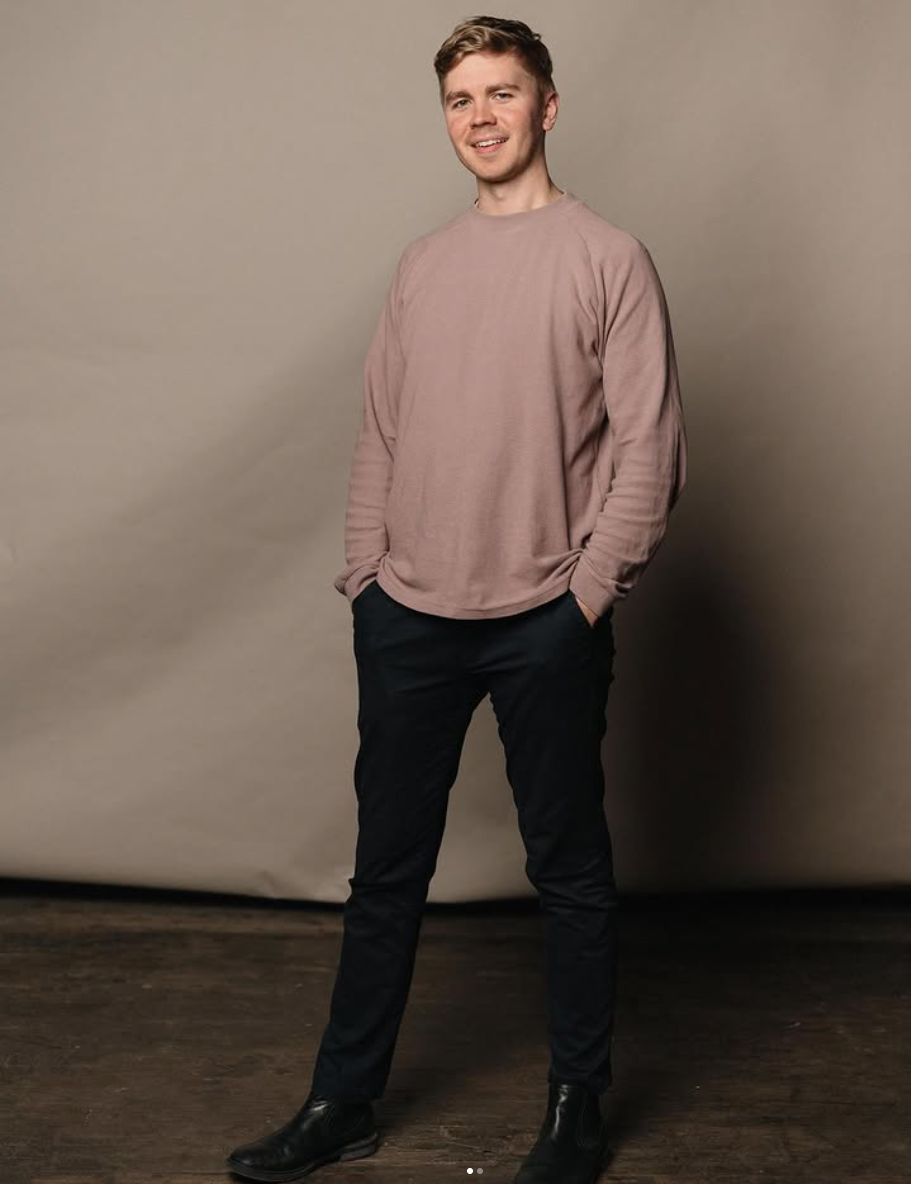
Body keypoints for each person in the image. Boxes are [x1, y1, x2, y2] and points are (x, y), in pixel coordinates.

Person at [226, 14, 687, 1184]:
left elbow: (650, 447)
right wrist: (365, 579)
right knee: (385, 870)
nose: (479, 116)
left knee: (568, 867)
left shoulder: (606, 255)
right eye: (459, 100)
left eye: (501, 92)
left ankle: (577, 1106)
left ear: (546, 104)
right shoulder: (422, 265)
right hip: (410, 616)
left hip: (545, 616)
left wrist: (585, 596)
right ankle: (342, 1098)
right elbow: (380, 430)